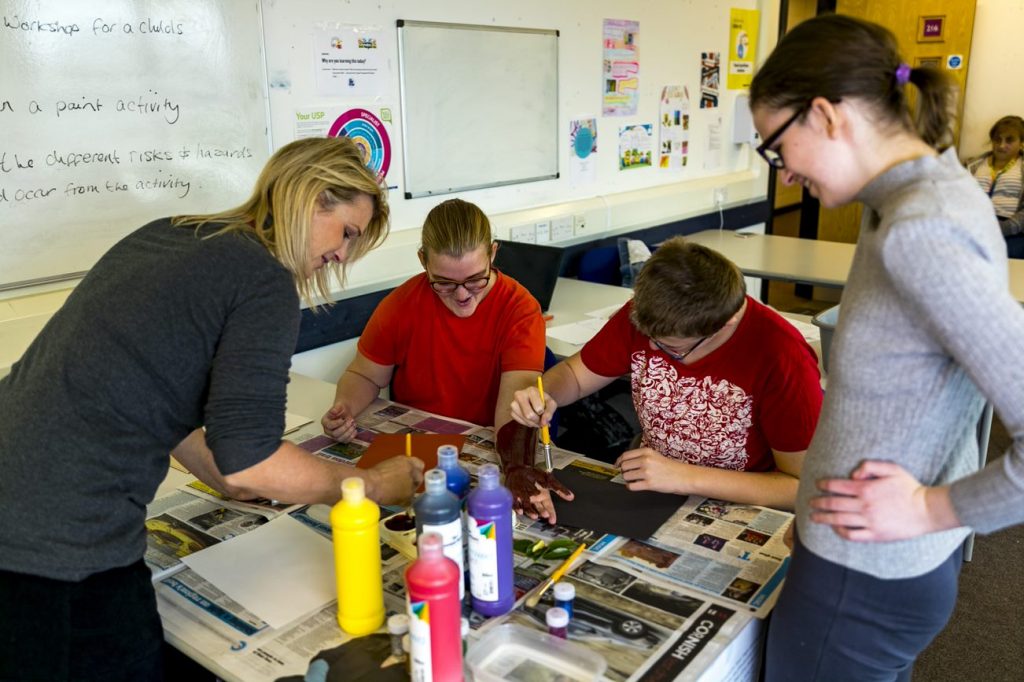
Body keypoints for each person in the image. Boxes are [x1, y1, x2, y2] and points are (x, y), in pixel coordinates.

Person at [0, 136, 424, 681]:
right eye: (347, 233)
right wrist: (371, 485)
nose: (343, 255)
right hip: (57, 537)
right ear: (313, 196)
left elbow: (151, 394)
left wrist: (230, 474)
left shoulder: (175, 233)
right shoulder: (263, 280)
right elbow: (249, 462)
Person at [748, 14, 1024, 681]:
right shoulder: (914, 193)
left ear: (826, 115)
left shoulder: (921, 229)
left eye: (776, 148)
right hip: (857, 562)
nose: (782, 176)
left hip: (865, 578)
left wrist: (935, 506)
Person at [511, 237, 823, 516]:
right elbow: (575, 376)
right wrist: (545, 393)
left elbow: (801, 488)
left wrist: (682, 476)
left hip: (740, 504)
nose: (649, 348)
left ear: (724, 324)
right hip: (656, 487)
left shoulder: (782, 357)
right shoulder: (649, 315)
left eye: (670, 348)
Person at [321, 199, 560, 511]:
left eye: (476, 279)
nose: (462, 295)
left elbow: (514, 405)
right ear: (423, 260)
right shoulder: (401, 305)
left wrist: (515, 467)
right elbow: (364, 375)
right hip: (419, 454)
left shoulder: (519, 309)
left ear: (492, 253)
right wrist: (345, 408)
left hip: (489, 448)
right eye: (444, 284)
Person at [966, 115, 1024, 257]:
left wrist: (1003, 228)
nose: (1002, 145)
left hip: (1010, 232)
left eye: (1009, 140)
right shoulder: (973, 166)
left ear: (1021, 142)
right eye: (997, 139)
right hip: (973, 227)